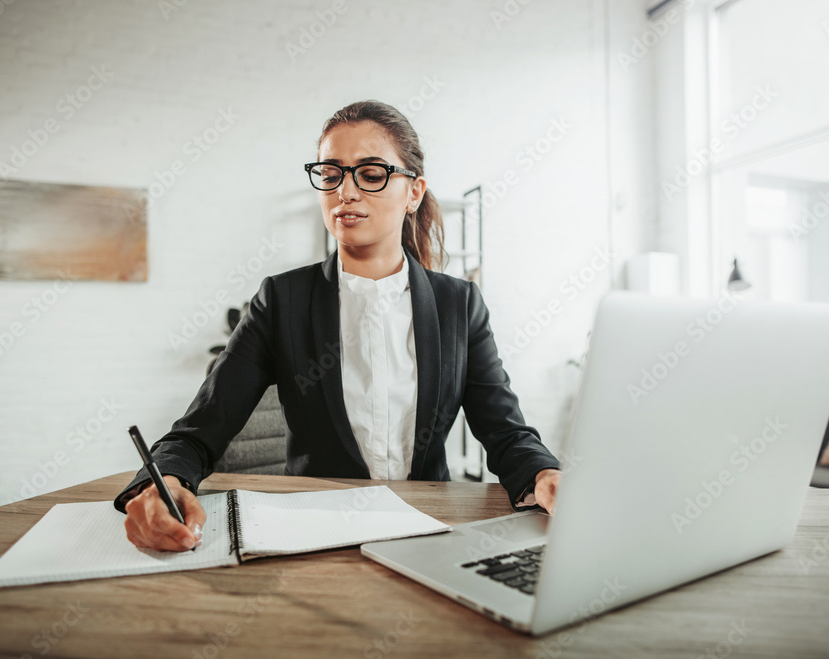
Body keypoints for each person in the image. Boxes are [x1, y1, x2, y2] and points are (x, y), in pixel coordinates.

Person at [115, 100, 562, 552]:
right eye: (331, 175)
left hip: (429, 531)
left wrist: (546, 477)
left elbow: (507, 434)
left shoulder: (459, 305)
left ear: (414, 192)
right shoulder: (282, 301)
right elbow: (197, 433)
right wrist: (163, 483)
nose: (345, 192)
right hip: (315, 535)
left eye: (371, 174)